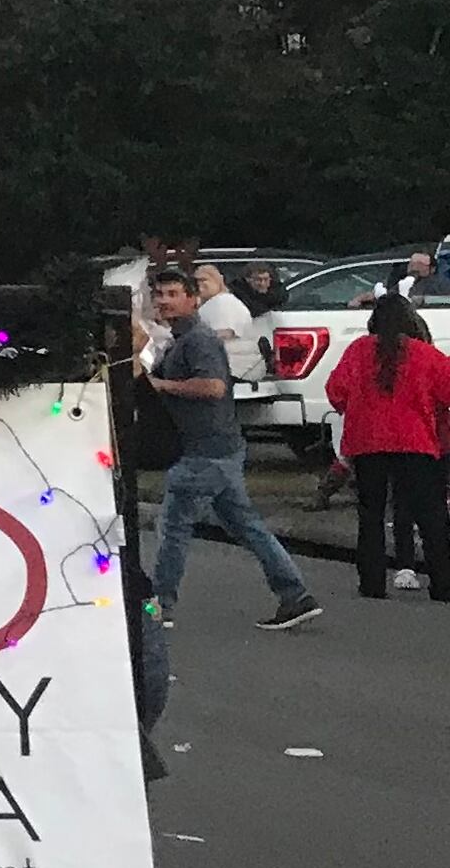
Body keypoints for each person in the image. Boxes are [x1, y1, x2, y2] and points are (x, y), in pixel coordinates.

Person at [144, 267, 320, 631]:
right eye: (159, 294)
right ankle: (295, 595)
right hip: (219, 449)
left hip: (204, 452)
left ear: (193, 299)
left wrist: (161, 386)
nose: (164, 301)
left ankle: (159, 607)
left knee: (173, 527)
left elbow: (214, 387)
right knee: (246, 526)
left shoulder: (198, 340)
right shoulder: (180, 339)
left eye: (173, 294)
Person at [325, 292, 450, 602]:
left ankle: (372, 583)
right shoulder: (427, 355)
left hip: (367, 442)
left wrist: (355, 409)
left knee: (371, 515)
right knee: (430, 515)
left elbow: (336, 390)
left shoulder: (358, 351)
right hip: (415, 442)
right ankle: (443, 584)